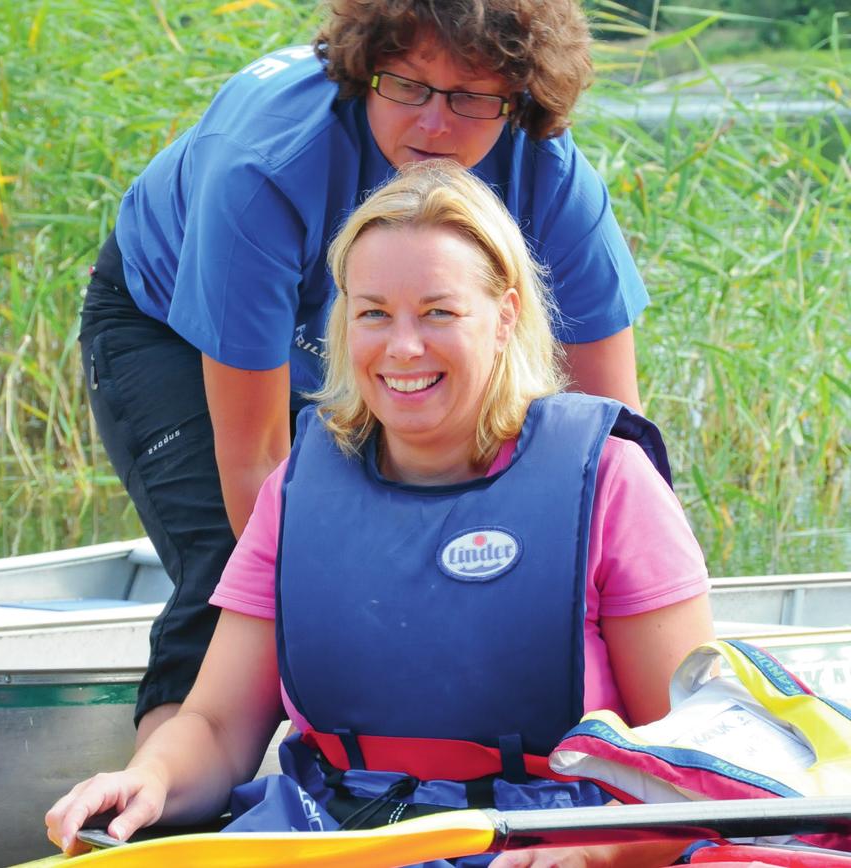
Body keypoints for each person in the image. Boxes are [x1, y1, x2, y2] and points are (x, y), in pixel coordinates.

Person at [50, 162, 715, 867]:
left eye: (439, 312)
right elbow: (216, 728)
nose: (403, 348)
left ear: (506, 318)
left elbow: (694, 767)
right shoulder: (298, 491)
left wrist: (599, 855)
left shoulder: (613, 483)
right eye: (373, 313)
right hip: (335, 834)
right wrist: (148, 777)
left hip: (546, 844)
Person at [82, 0, 654, 743]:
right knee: (234, 561)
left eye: (473, 96)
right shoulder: (265, 166)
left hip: (384, 339)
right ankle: (161, 797)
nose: (434, 125)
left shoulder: (551, 173)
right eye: (409, 85)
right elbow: (259, 470)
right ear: (366, 66)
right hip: (166, 324)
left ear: (520, 99)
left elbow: (616, 446)